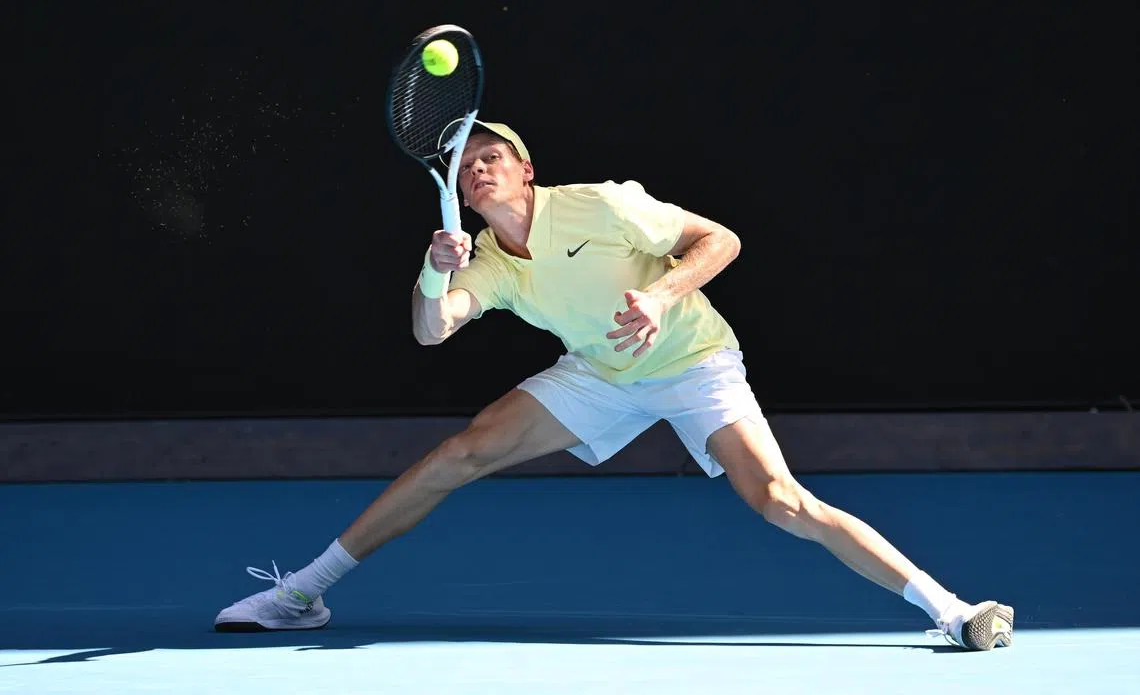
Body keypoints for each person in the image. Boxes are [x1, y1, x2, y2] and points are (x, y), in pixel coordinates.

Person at [214, 121, 1014, 650]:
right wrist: (432, 270)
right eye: (465, 165)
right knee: (461, 454)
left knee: (779, 500)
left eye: (493, 156)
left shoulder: (600, 205)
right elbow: (433, 329)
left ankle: (951, 611)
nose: (479, 169)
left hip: (693, 359)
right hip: (600, 373)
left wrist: (663, 295)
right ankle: (304, 594)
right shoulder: (483, 259)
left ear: (526, 170)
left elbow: (720, 238)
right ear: (458, 191)